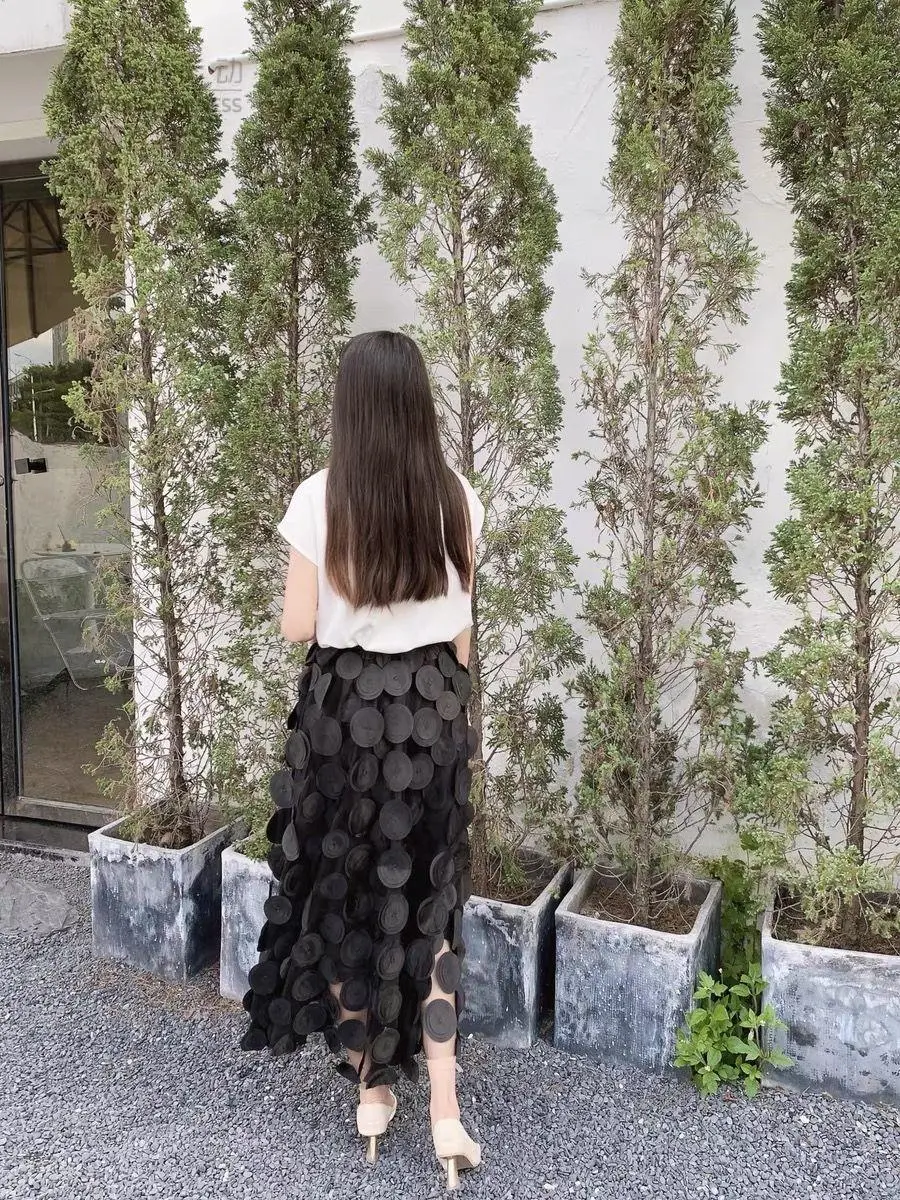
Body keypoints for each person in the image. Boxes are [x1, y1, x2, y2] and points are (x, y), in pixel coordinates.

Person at [239, 330, 484, 1189]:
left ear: (348, 406)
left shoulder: (320, 496)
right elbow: (462, 631)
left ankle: (372, 1088)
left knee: (343, 895)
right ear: (419, 402)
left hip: (346, 714)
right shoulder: (456, 495)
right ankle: (447, 1112)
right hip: (434, 712)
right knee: (431, 903)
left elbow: (299, 626)